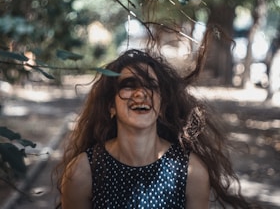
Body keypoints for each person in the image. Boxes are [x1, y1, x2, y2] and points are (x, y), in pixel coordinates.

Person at [55, 41, 260, 208]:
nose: (140, 93)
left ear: (162, 107)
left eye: (151, 86)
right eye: (129, 85)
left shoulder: (191, 172)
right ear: (111, 106)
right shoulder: (82, 172)